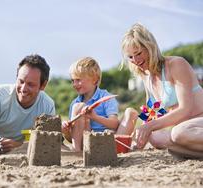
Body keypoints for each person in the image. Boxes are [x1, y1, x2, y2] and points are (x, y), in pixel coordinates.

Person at [121, 23, 203, 158]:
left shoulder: (176, 64)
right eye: (130, 57)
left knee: (178, 133)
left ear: (150, 47)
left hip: (198, 121)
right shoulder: (147, 77)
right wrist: (138, 134)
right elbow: (151, 114)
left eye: (138, 53)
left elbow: (185, 109)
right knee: (155, 138)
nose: (135, 60)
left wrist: (149, 126)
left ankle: (184, 149)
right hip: (187, 129)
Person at [0, 54, 55, 154]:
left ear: (43, 85)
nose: (23, 89)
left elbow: (46, 143)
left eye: (31, 84)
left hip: (24, 150)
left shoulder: (47, 105)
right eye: (21, 81)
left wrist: (19, 146)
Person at [62, 57, 136, 152]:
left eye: (78, 80)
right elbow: (72, 138)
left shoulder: (106, 97)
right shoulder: (75, 103)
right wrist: (66, 130)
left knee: (131, 112)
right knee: (79, 106)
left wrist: (95, 117)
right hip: (86, 143)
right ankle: (77, 151)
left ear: (95, 80)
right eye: (72, 81)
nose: (74, 84)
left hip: (107, 139)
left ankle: (116, 148)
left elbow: (114, 124)